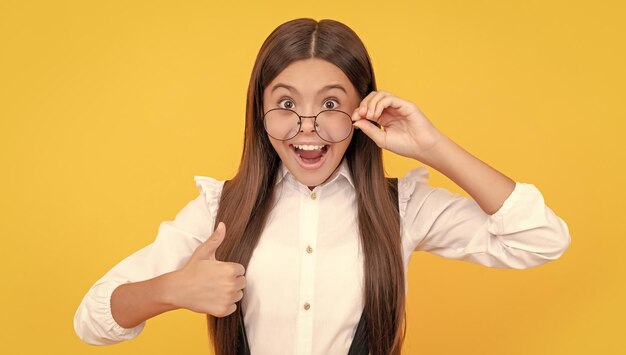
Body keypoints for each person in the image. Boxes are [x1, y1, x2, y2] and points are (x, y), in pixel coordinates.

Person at [74, 18, 571, 355]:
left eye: (331, 104)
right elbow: (93, 319)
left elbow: (540, 239)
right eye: (286, 104)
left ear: (361, 111)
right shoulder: (219, 211)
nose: (307, 127)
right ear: (260, 112)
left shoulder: (403, 208)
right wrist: (172, 289)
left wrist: (432, 146)